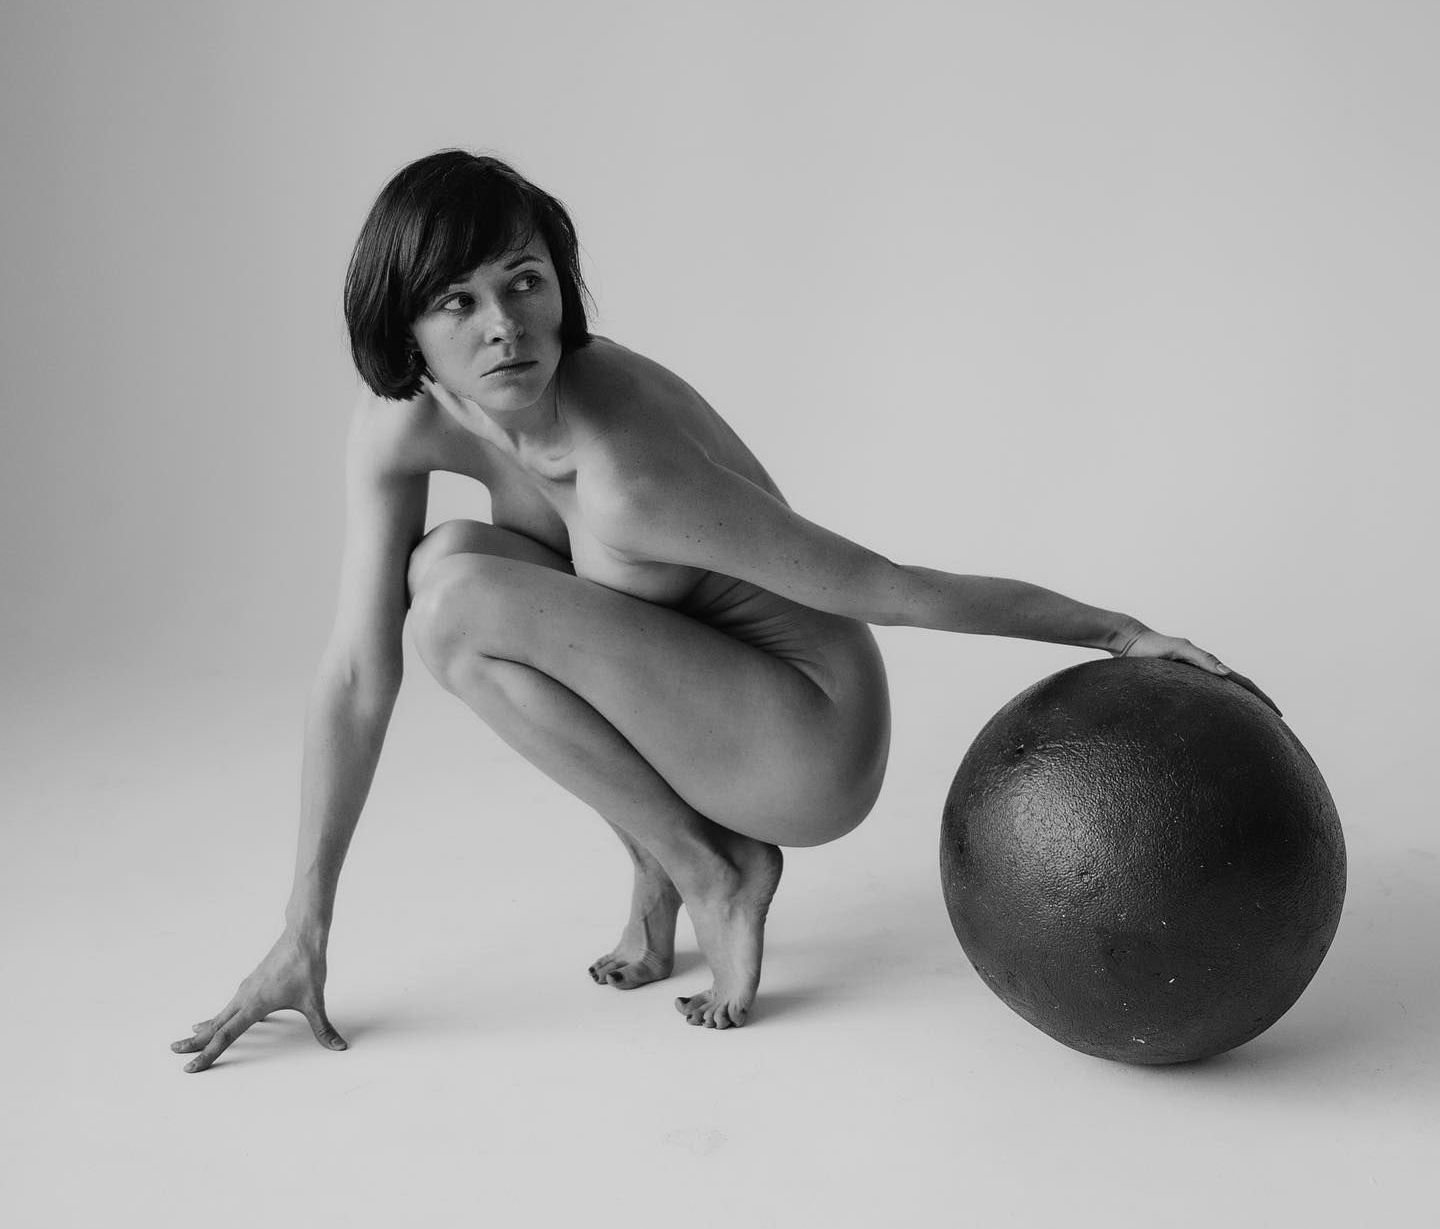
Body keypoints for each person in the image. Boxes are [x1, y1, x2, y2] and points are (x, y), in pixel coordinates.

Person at [171, 150, 1276, 1070]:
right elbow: (355, 676)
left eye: (524, 281)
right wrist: (303, 927)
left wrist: (1119, 632)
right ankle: (668, 871)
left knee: (452, 603)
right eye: (457, 301)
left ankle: (719, 872)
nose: (504, 325)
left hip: (808, 736)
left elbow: (889, 586)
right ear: (404, 327)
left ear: (561, 286)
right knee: (444, 566)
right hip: (698, 688)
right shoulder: (400, 424)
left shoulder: (628, 473)